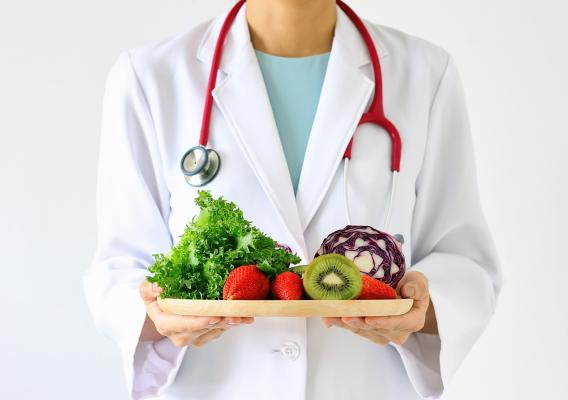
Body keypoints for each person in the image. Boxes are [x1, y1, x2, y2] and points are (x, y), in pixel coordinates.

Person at [83, 0, 503, 399]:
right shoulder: (150, 77)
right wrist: (158, 313)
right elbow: (120, 268)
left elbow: (464, 260)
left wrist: (423, 305)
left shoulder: (425, 74)